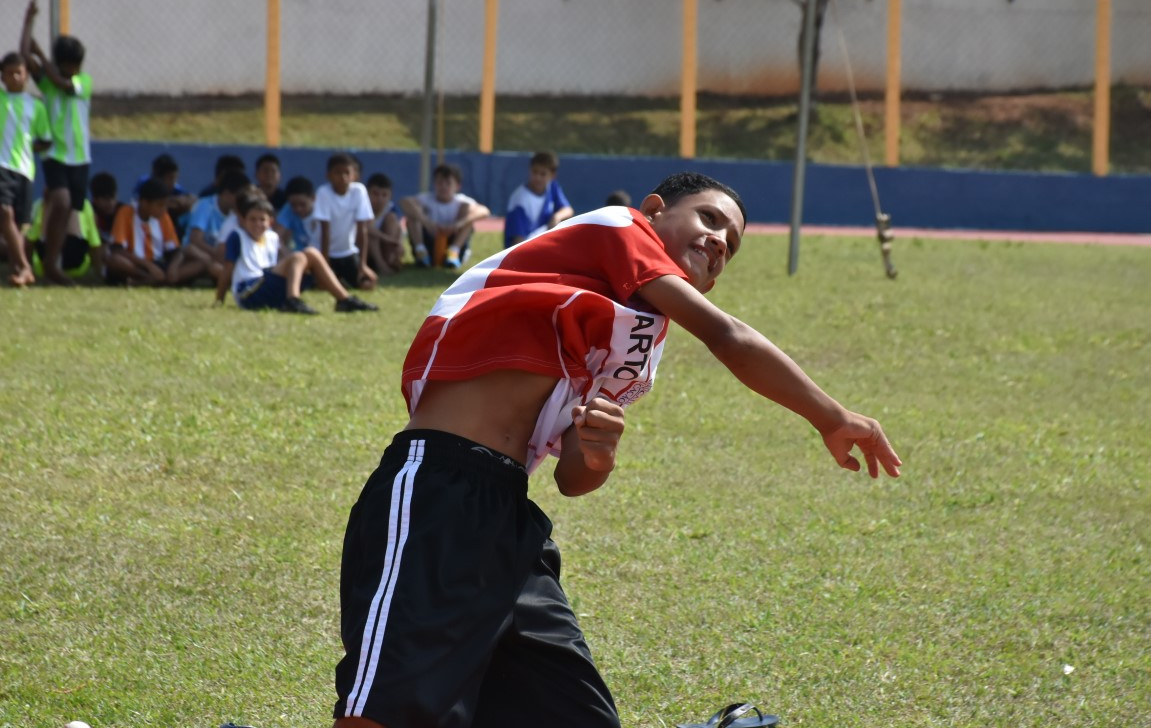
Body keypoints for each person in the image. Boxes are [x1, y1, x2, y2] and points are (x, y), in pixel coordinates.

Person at [331, 171, 901, 728]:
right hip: (436, 491)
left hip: (510, 517)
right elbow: (727, 336)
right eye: (709, 219)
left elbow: (572, 478)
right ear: (654, 210)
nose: (719, 242)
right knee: (385, 713)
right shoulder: (619, 227)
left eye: (731, 245)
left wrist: (599, 453)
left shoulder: (639, 334)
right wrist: (832, 416)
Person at [20, 1, 92, 286]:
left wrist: (40, 53)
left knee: (69, 208)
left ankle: (53, 261)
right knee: (60, 201)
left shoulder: (83, 82)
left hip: (80, 157)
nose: (74, 70)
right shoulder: (47, 82)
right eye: (70, 65)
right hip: (55, 154)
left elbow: (63, 84)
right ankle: (50, 263)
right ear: (60, 63)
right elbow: (24, 56)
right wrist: (28, 22)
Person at [214, 194, 378, 315]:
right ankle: (292, 300)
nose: (257, 224)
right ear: (243, 221)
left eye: (261, 219)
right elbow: (228, 268)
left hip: (267, 284)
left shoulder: (272, 237)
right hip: (249, 291)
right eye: (252, 219)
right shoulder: (238, 236)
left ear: (270, 222)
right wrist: (219, 299)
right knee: (298, 257)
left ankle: (344, 299)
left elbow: (282, 261)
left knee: (311, 253)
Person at [0, 52, 51, 287]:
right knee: (4, 212)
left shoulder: (35, 106)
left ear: (27, 75)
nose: (14, 78)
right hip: (2, 165)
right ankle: (25, 267)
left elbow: (45, 140)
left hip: (24, 169)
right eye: (8, 73)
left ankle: (18, 270)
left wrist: (27, 147)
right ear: (2, 77)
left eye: (18, 73)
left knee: (20, 224)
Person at [400, 162, 490, 269]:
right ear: (434, 184)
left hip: (452, 240)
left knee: (468, 217)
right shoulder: (426, 199)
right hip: (429, 243)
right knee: (413, 214)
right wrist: (427, 223)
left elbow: (484, 211)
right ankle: (421, 252)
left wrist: (457, 224)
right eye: (440, 182)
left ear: (457, 186)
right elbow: (404, 202)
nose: (443, 186)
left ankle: (453, 253)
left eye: (448, 183)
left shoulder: (462, 201)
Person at [167, 170, 250, 285]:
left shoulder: (236, 214)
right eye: (241, 197)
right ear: (227, 194)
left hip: (214, 258)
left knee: (213, 266)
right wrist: (218, 256)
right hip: (192, 254)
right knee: (206, 262)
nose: (244, 201)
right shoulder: (205, 205)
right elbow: (195, 239)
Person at [313, 153, 376, 290]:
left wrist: (362, 264)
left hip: (348, 253)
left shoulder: (359, 191)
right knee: (320, 285)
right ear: (328, 175)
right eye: (337, 172)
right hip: (324, 253)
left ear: (354, 175)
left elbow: (362, 229)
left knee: (367, 284)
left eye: (347, 172)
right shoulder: (323, 193)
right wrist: (325, 265)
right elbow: (325, 230)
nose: (343, 177)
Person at [104, 178, 179, 286]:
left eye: (165, 205)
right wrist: (148, 265)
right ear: (144, 203)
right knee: (114, 260)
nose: (164, 209)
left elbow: (175, 250)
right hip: (135, 263)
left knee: (193, 259)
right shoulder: (126, 212)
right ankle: (148, 279)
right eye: (160, 205)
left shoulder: (163, 216)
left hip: (158, 264)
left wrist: (173, 268)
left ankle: (148, 281)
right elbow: (117, 249)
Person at [503, 150, 574, 248]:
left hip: (542, 244)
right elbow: (517, 243)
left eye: (543, 174)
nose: (538, 177)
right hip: (527, 249)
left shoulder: (552, 186)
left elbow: (568, 210)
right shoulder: (520, 201)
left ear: (553, 175)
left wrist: (556, 217)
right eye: (535, 172)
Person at [25, 194, 102, 282]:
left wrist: (27, 268)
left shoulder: (43, 203)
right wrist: (99, 272)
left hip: (46, 263)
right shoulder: (84, 203)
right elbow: (94, 243)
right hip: (75, 263)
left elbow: (30, 240)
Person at [134, 153, 195, 231]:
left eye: (175, 178)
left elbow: (192, 199)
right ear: (157, 177)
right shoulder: (144, 183)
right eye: (170, 178)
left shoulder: (176, 188)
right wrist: (171, 202)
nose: (173, 183)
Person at [365, 172, 404, 276]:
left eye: (384, 195)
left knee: (391, 219)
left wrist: (399, 243)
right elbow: (367, 228)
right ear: (367, 194)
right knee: (371, 234)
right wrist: (387, 238)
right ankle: (381, 265)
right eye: (375, 194)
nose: (380, 199)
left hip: (382, 247)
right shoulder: (363, 207)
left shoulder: (390, 208)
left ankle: (390, 259)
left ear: (390, 196)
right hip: (365, 250)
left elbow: (399, 228)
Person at [276, 175, 320, 252]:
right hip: (299, 253)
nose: (298, 209)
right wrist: (286, 253)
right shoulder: (288, 209)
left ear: (313, 198)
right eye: (293, 205)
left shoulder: (323, 211)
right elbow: (276, 237)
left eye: (302, 204)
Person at [89, 172, 123, 245]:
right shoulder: (88, 212)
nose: (111, 203)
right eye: (106, 199)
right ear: (95, 200)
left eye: (113, 197)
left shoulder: (122, 212)